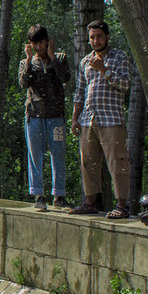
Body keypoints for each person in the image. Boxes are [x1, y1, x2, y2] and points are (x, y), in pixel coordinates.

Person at [68, 20, 132, 219]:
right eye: (92, 38)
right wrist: (75, 119)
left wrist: (104, 69)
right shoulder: (85, 61)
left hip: (111, 118)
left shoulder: (119, 57)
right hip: (88, 119)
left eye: (99, 37)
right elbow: (79, 92)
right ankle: (90, 202)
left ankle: (122, 205)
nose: (95, 41)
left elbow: (125, 83)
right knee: (87, 162)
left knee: (117, 161)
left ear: (107, 37)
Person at [19, 24, 71, 212]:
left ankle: (59, 195)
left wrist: (52, 57)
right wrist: (28, 59)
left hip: (56, 116)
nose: (39, 47)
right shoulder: (27, 62)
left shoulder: (60, 58)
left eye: (42, 43)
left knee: (58, 155)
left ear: (48, 41)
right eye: (35, 44)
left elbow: (65, 77)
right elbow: (24, 83)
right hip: (34, 115)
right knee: (35, 156)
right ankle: (38, 195)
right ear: (31, 44)